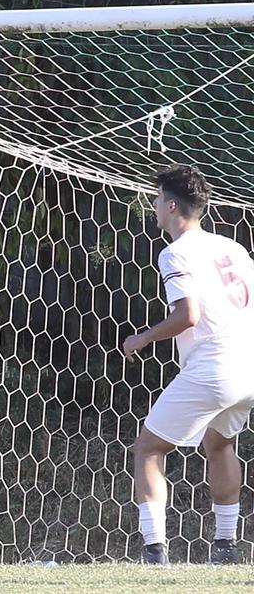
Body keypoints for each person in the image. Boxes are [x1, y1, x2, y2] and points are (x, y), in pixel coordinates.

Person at [121, 164, 254, 565]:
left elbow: (188, 316)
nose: (155, 206)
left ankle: (153, 551)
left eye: (158, 199)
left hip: (214, 368)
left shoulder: (175, 252)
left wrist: (141, 338)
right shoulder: (232, 248)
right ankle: (226, 547)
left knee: (148, 448)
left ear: (173, 204)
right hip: (248, 366)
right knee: (220, 443)